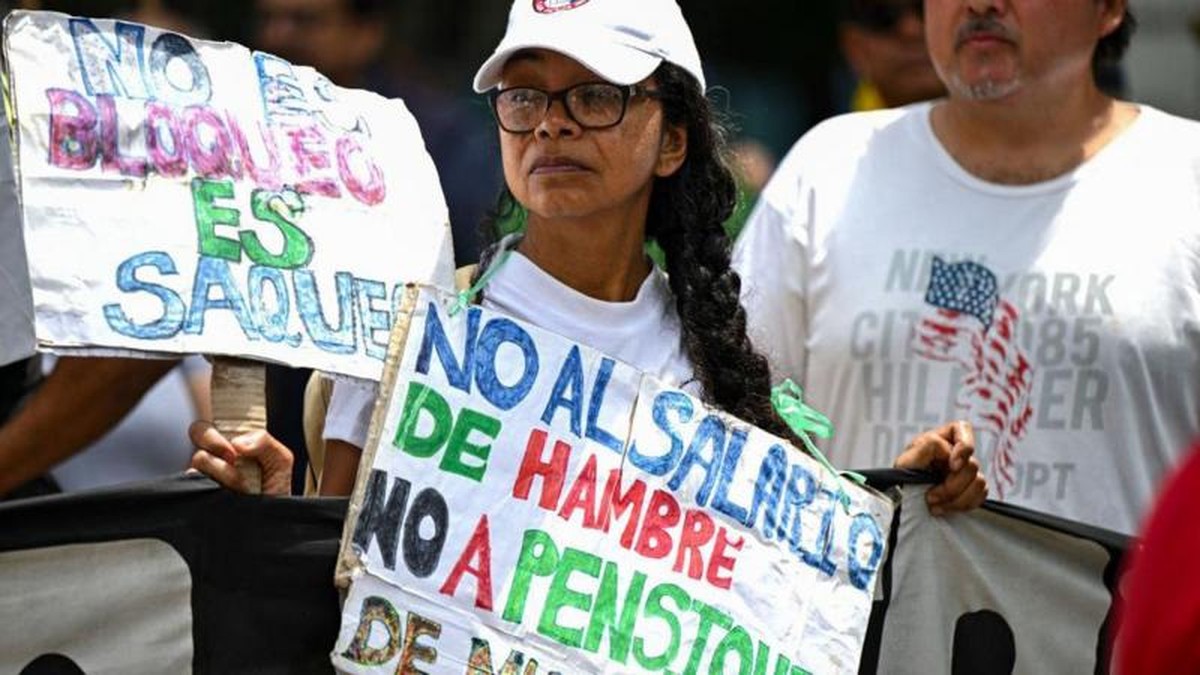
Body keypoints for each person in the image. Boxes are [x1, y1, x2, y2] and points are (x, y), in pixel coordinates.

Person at [192, 0, 986, 519]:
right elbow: (335, 582)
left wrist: (897, 492)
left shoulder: (728, 380)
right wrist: (266, 515)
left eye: (595, 95)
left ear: (673, 139)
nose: (551, 125)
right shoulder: (405, 343)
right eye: (525, 94)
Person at [732, 0, 1200, 534]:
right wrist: (877, 496)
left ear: (1109, 10)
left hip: (1118, 617)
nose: (980, 5)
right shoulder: (827, 173)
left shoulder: (1186, 181)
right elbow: (732, 436)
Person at [839, 0, 946, 110]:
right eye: (883, 15)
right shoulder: (839, 126)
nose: (911, 30)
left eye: (923, 9)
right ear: (854, 47)